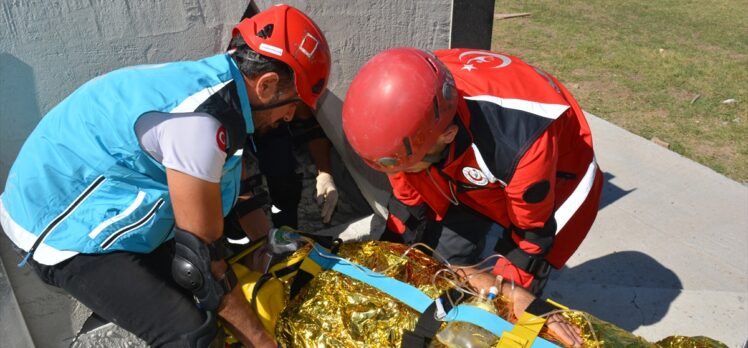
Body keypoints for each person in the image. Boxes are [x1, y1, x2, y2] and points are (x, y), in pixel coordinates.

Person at [0, 5, 330, 347]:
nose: (292, 116)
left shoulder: (224, 93)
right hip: (56, 221)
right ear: (267, 84)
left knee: (212, 295)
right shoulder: (202, 123)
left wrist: (268, 245)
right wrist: (263, 342)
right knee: (190, 332)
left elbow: (233, 187)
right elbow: (200, 266)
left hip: (89, 190)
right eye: (294, 103)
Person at [343, 47, 604, 346]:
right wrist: (389, 259)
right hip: (472, 172)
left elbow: (530, 240)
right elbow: (407, 203)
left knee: (506, 309)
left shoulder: (519, 143)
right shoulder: (414, 101)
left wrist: (508, 294)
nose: (402, 171)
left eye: (409, 163)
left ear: (447, 135)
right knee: (444, 265)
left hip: (556, 182)